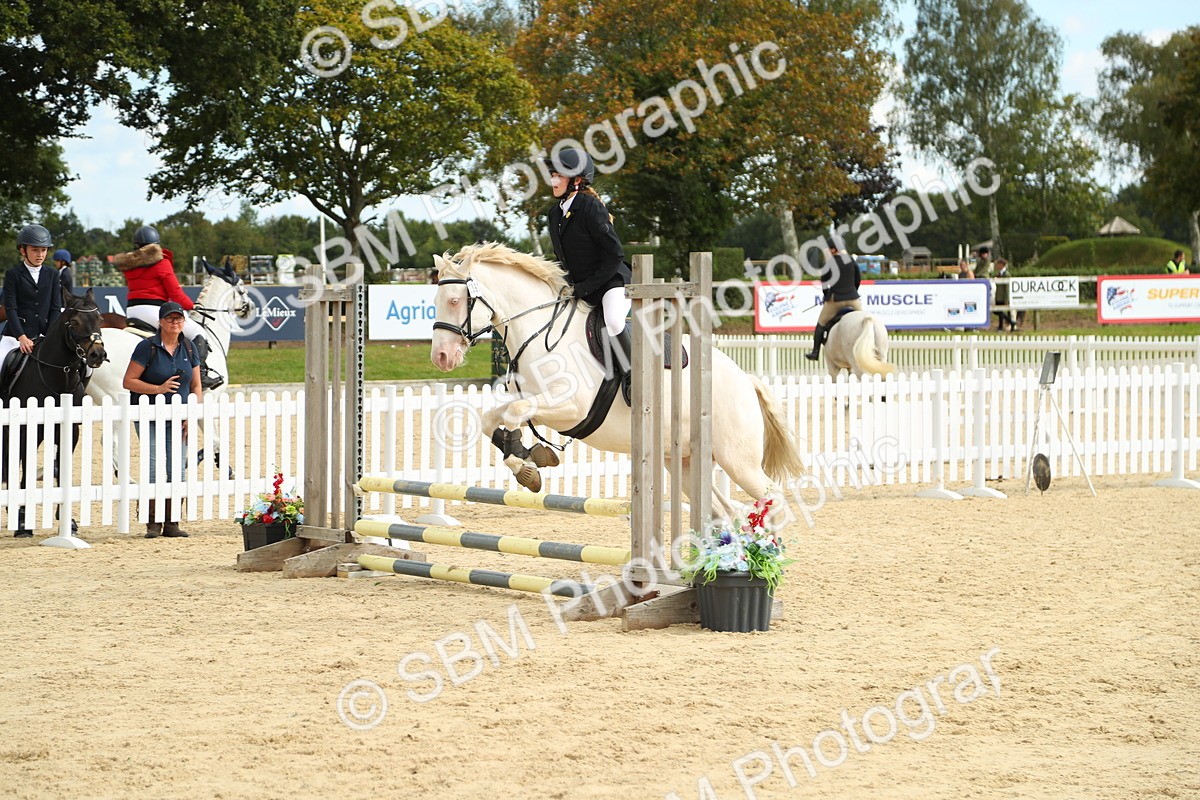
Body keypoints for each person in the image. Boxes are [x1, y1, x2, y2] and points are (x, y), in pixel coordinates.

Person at [121, 301, 203, 538]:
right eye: (170, 319)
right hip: (150, 415)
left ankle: (172, 522)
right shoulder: (146, 347)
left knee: (177, 469)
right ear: (161, 322)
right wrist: (158, 388)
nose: (175, 322)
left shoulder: (188, 347)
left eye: (179, 319)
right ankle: (152, 522)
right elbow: (129, 381)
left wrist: (192, 412)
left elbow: (196, 386)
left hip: (180, 418)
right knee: (155, 468)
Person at [545, 148, 633, 367]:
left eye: (558, 176)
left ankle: (633, 373)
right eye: (552, 175)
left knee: (612, 322)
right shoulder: (555, 213)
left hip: (612, 282)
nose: (553, 181)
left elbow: (615, 255)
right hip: (581, 286)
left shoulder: (590, 207)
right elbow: (562, 259)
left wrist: (584, 288)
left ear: (576, 180)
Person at [114, 225, 221, 390]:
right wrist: (192, 305)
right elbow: (175, 293)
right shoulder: (161, 262)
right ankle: (200, 376)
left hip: (132, 310)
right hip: (153, 309)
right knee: (199, 332)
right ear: (156, 244)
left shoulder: (129, 265)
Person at [1, 224, 62, 377]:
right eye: (35, 250)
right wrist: (21, 337)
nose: (40, 254)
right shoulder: (13, 274)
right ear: (23, 250)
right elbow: (11, 309)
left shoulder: (53, 275)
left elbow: (55, 308)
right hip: (15, 337)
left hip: (43, 336)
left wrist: (48, 336)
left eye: (44, 250)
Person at [805, 242, 862, 361]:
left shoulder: (829, 263)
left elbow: (825, 284)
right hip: (853, 299)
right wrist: (853, 292)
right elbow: (858, 278)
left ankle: (815, 352)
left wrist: (827, 297)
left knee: (821, 323)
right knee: (865, 322)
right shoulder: (851, 260)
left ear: (833, 250)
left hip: (835, 299)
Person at [993, 258, 1018, 332]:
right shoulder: (999, 274)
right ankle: (1010, 323)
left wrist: (1006, 299)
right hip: (998, 296)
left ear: (1001, 265)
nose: (996, 266)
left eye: (997, 264)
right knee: (998, 311)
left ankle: (1003, 326)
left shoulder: (1006, 274)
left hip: (1002, 297)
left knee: (1000, 312)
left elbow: (1007, 288)